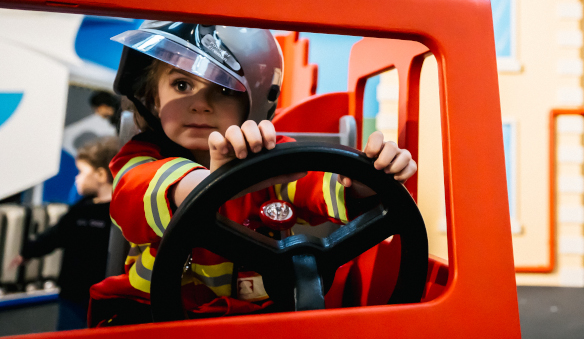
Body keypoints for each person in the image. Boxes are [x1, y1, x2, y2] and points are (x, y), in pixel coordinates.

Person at [88, 21, 416, 326]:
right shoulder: (140, 157)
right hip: (155, 314)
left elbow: (315, 181)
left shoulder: (269, 152)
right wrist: (213, 183)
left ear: (257, 101)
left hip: (256, 320)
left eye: (224, 88)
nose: (200, 104)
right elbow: (133, 194)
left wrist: (362, 182)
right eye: (182, 84)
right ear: (152, 98)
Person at [10, 136, 118, 330]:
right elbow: (56, 235)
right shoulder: (81, 209)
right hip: (72, 294)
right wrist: (28, 252)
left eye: (82, 172)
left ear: (101, 175)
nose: (77, 178)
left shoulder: (117, 212)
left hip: (104, 296)